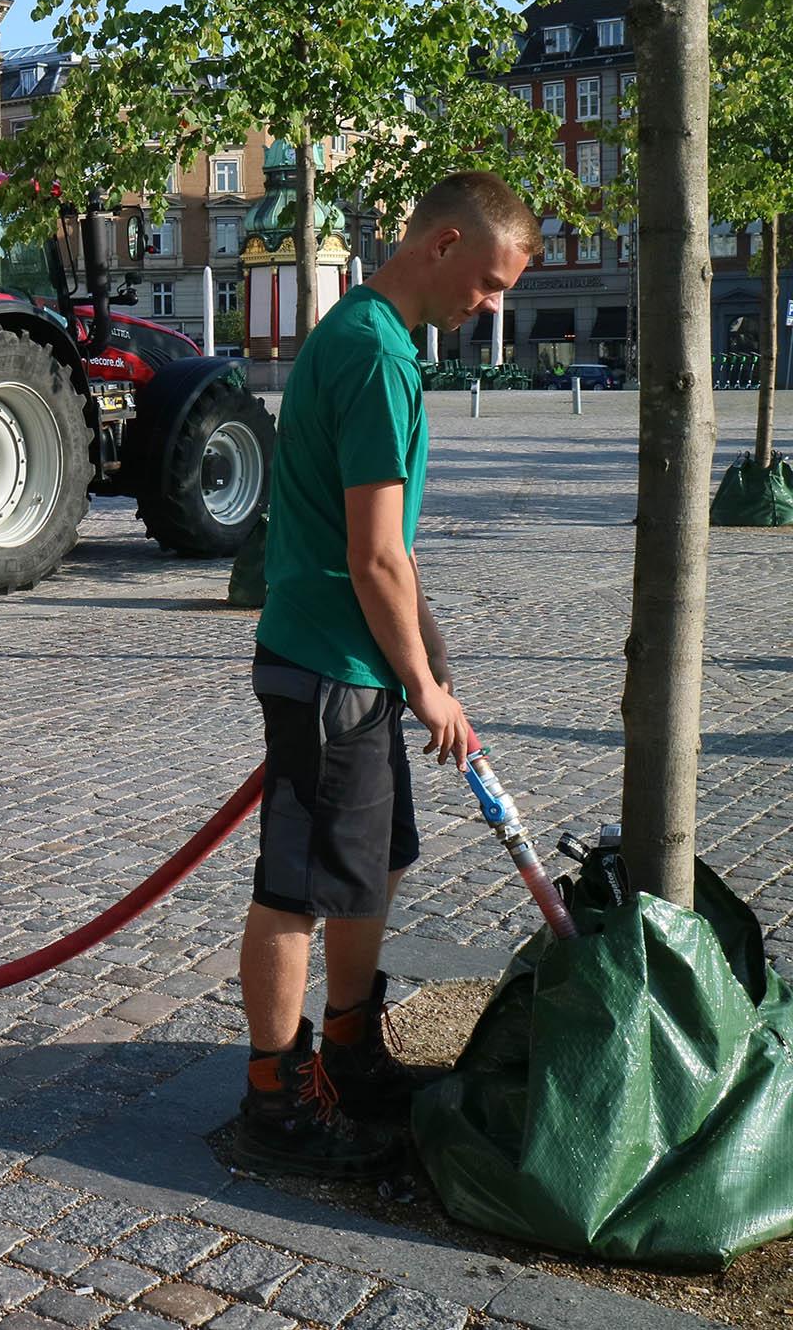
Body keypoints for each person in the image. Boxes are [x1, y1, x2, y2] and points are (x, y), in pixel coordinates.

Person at [235, 171, 541, 1177]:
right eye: (489, 283)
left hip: (351, 659)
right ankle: (275, 1098)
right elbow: (370, 555)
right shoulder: (371, 354)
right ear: (441, 243)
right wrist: (424, 685)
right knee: (297, 886)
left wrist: (425, 651)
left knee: (377, 858)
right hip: (329, 664)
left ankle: (349, 1046)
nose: (489, 306)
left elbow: (392, 555)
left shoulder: (378, 341)